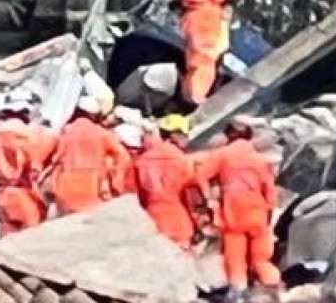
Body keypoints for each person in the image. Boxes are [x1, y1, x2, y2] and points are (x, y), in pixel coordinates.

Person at [196, 118, 280, 293]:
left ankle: (238, 294)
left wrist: (209, 199)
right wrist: (269, 216)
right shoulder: (260, 159)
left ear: (228, 135)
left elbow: (201, 175)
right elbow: (270, 191)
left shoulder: (222, 154)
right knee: (261, 260)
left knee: (235, 260)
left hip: (233, 213)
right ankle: (274, 291)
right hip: (258, 212)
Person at [0, 98, 57, 234]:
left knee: (5, 243)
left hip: (4, 195)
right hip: (25, 197)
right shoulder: (28, 135)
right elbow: (35, 165)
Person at [133, 115, 205, 249]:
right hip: (178, 220)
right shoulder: (182, 160)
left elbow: (137, 196)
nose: (187, 138)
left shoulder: (141, 161)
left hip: (151, 220)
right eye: (184, 134)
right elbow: (191, 196)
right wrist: (198, 223)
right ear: (174, 135)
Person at [49, 101, 130, 216]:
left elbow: (55, 158)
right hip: (91, 185)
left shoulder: (65, 131)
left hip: (65, 184)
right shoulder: (101, 133)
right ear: (94, 115)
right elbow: (122, 156)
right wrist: (116, 181)